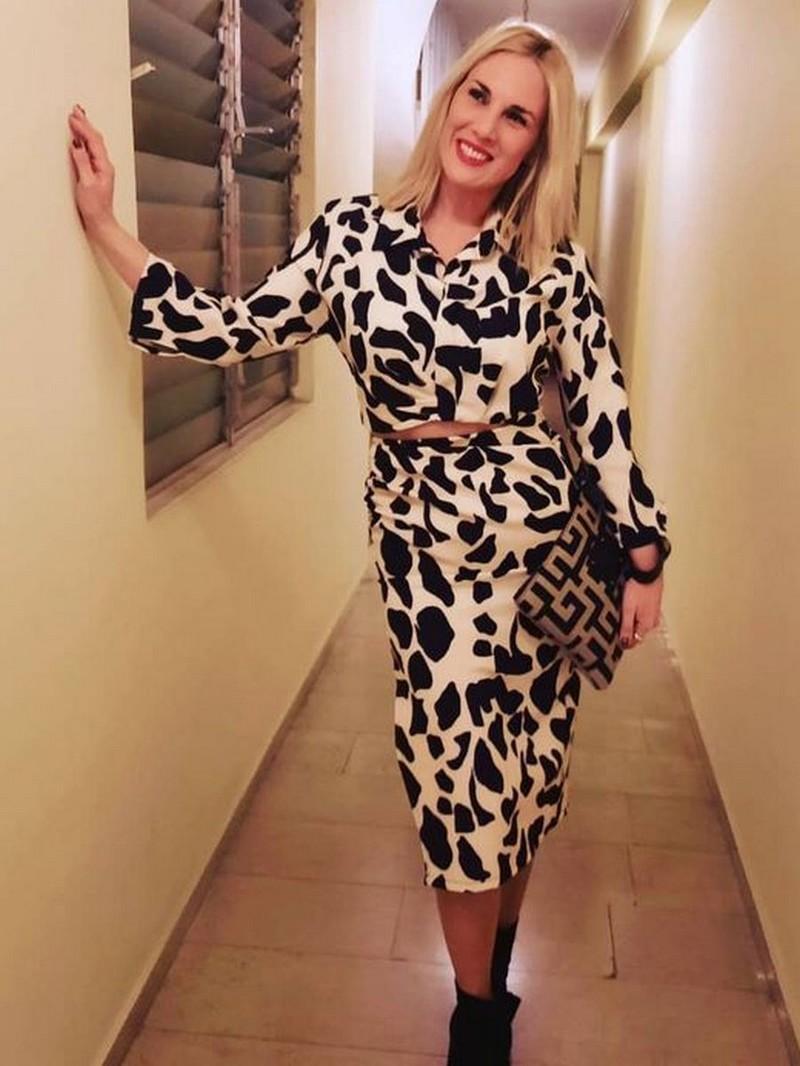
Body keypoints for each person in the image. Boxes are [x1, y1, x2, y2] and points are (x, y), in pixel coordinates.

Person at [67, 17, 670, 1066]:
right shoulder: (351, 239)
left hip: (538, 555)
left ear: (536, 146)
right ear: (447, 97)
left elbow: (602, 408)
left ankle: (499, 963)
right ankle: (475, 1019)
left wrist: (644, 554)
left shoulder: (549, 264)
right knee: (453, 787)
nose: (486, 127)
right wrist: (108, 226)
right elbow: (229, 330)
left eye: (517, 117)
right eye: (477, 96)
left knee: (527, 779)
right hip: (424, 561)